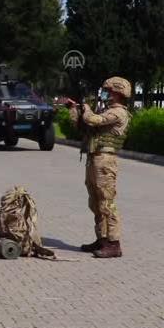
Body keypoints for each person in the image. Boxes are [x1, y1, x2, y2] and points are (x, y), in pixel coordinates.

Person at [68, 77, 131, 258]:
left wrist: (86, 109)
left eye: (108, 91)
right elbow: (83, 126)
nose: (105, 94)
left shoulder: (119, 113)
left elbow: (93, 120)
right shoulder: (106, 110)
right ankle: (102, 239)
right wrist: (75, 109)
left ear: (117, 93)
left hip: (105, 161)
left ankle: (113, 243)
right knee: (95, 201)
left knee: (106, 202)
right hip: (94, 158)